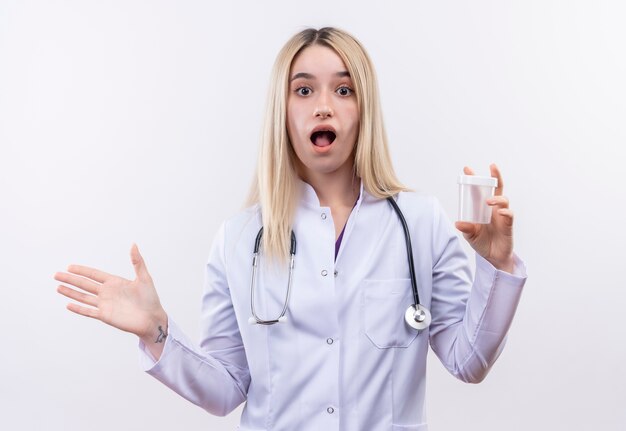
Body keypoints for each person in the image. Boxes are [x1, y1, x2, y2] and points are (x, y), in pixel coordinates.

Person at [55, 27, 527, 430]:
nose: (324, 107)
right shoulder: (239, 240)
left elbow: (469, 362)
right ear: (283, 112)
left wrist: (496, 263)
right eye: (304, 90)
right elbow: (226, 389)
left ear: (364, 110)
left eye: (343, 90)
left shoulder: (420, 224)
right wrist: (156, 331)